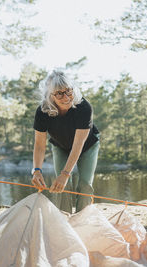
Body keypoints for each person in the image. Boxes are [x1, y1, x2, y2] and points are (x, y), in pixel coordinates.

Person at [31, 70, 100, 213]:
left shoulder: (84, 108)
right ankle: (64, 220)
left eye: (68, 91)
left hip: (87, 147)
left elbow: (78, 145)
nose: (66, 97)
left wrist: (66, 173)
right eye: (59, 93)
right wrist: (37, 170)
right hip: (60, 146)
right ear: (50, 96)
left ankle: (83, 219)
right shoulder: (43, 112)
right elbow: (39, 145)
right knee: (61, 185)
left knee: (85, 184)